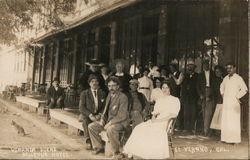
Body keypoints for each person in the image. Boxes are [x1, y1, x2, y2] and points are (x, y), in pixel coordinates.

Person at [123, 80, 180, 159]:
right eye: (163, 87)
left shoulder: (174, 100)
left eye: (167, 88)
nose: (165, 89)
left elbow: (173, 114)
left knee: (151, 131)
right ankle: (134, 152)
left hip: (166, 122)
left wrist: (159, 121)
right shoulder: (160, 100)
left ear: (170, 89)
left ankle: (150, 154)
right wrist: (153, 119)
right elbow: (155, 113)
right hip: (156, 121)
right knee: (139, 128)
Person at [88, 76, 129, 157]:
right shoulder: (109, 95)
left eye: (113, 85)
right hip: (108, 121)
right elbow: (105, 111)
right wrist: (102, 120)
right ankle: (98, 147)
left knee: (111, 129)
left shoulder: (123, 97)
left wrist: (110, 123)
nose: (111, 88)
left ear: (118, 86)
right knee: (91, 126)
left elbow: (122, 115)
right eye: (109, 86)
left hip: (120, 123)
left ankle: (116, 152)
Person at [220, 62, 247, 144]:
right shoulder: (225, 78)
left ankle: (234, 140)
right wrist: (223, 94)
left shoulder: (238, 78)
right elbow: (221, 87)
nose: (229, 70)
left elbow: (245, 89)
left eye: (230, 68)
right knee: (226, 120)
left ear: (234, 68)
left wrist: (237, 96)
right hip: (226, 102)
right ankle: (225, 138)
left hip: (234, 103)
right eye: (227, 68)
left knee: (233, 121)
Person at [78, 74, 106, 150]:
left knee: (102, 122)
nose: (94, 83)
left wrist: (100, 114)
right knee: (86, 120)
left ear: (98, 83)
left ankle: (98, 141)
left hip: (98, 114)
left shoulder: (102, 93)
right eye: (92, 81)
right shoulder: (84, 93)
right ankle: (88, 140)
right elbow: (81, 107)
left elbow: (104, 106)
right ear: (89, 83)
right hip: (87, 114)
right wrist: (90, 115)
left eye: (96, 81)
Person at [196, 60, 217, 136]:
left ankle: (206, 131)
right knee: (204, 113)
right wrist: (201, 95)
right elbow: (197, 86)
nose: (205, 66)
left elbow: (215, 86)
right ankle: (206, 130)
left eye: (206, 64)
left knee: (209, 113)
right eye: (204, 65)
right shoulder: (200, 75)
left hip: (210, 92)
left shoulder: (213, 73)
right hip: (203, 93)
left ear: (209, 65)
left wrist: (210, 95)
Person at [180, 59, 199, 134]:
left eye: (191, 66)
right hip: (186, 97)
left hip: (194, 97)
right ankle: (185, 128)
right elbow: (181, 85)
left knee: (193, 113)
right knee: (186, 113)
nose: (190, 67)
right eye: (188, 66)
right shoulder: (184, 75)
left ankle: (192, 128)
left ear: (194, 67)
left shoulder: (197, 75)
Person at [210, 65, 225, 130]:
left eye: (218, 72)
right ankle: (214, 130)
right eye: (216, 72)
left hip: (223, 99)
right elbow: (214, 90)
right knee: (215, 114)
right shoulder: (214, 80)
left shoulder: (224, 79)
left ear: (221, 72)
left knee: (223, 115)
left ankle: (221, 130)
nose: (217, 73)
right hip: (216, 99)